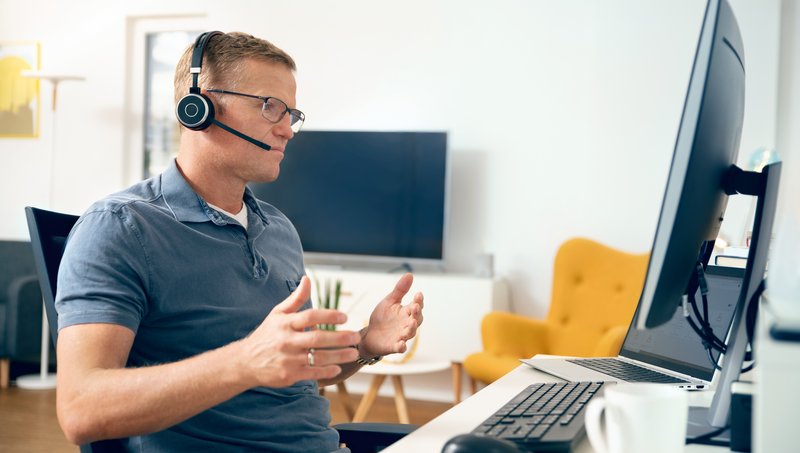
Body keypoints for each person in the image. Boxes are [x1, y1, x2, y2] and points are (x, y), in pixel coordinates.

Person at [54, 31, 424, 452]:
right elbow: (81, 410)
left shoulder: (278, 229)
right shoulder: (120, 227)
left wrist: (365, 343)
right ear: (198, 108)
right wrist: (246, 360)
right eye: (271, 107)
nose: (288, 130)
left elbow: (291, 368)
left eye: (291, 114)